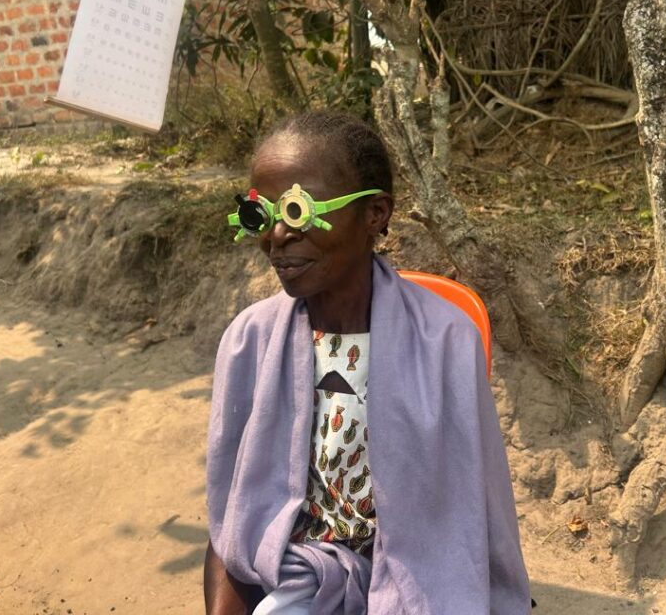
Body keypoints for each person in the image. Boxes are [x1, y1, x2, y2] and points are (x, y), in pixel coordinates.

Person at [204, 110, 531, 614]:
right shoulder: (250, 340)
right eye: (260, 216)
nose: (277, 236)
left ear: (375, 213)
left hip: (420, 579)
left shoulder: (446, 339)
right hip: (299, 571)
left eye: (298, 211)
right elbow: (233, 516)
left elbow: (476, 508)